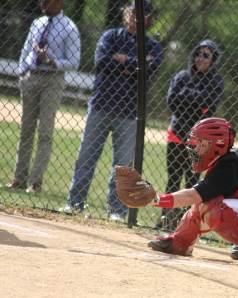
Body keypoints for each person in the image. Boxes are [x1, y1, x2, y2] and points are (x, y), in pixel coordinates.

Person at [61, 0, 163, 221]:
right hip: (101, 105)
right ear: (125, 14)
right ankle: (75, 204)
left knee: (123, 166)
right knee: (86, 157)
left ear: (149, 19)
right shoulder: (110, 36)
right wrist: (134, 64)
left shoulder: (153, 46)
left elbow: (148, 71)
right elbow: (102, 63)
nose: (136, 17)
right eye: (132, 12)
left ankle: (116, 210)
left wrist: (124, 61)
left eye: (142, 14)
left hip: (129, 112)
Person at [145, 117, 238, 267]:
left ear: (217, 146)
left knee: (215, 206)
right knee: (204, 202)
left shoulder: (230, 166)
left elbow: (192, 195)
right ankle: (180, 242)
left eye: (201, 144)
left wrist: (155, 199)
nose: (195, 149)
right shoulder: (225, 161)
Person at [7, 0, 80, 193]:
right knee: (26, 130)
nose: (42, 3)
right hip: (31, 77)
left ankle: (35, 182)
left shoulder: (69, 27)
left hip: (52, 79)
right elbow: (25, 50)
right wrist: (22, 73)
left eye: (47, 1)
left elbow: (74, 61)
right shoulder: (37, 22)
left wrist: (51, 60)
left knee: (45, 132)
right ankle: (18, 178)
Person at [161, 39, 224, 231]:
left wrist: (187, 98)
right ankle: (165, 219)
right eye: (197, 53)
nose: (199, 58)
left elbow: (209, 107)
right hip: (177, 134)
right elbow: (172, 101)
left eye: (206, 55)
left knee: (192, 182)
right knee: (173, 179)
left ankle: (185, 222)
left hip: (199, 140)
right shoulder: (182, 76)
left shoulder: (216, 81)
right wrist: (197, 100)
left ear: (213, 60)